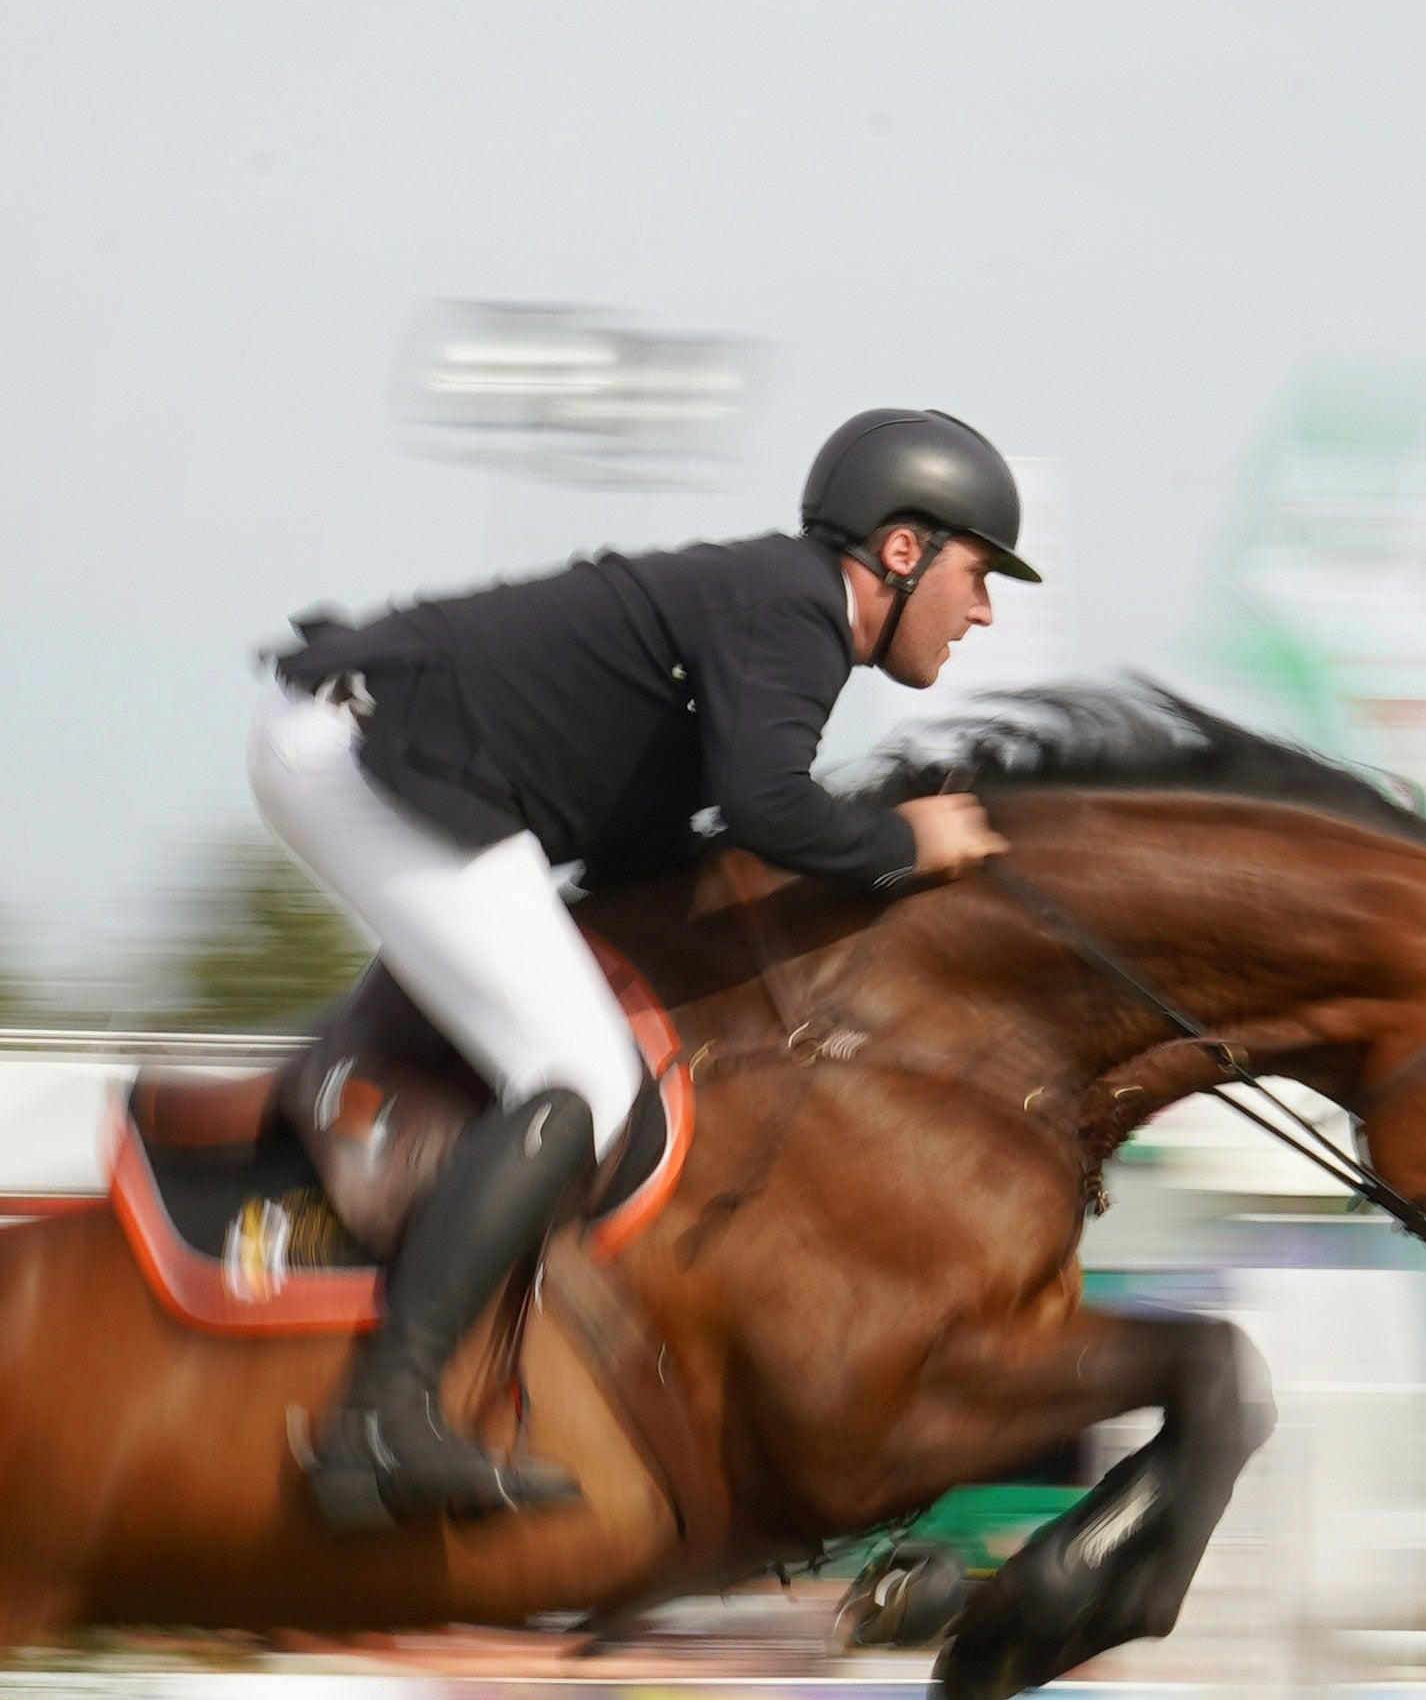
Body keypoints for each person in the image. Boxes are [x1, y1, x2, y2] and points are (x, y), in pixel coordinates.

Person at [250, 407, 1032, 1530]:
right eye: (977, 570)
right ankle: (381, 1417)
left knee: (579, 1048)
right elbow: (768, 807)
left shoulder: (780, 612)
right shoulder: (795, 614)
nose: (985, 608)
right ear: (900, 552)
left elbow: (656, 831)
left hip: (376, 747)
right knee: (581, 1075)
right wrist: (911, 843)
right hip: (360, 756)